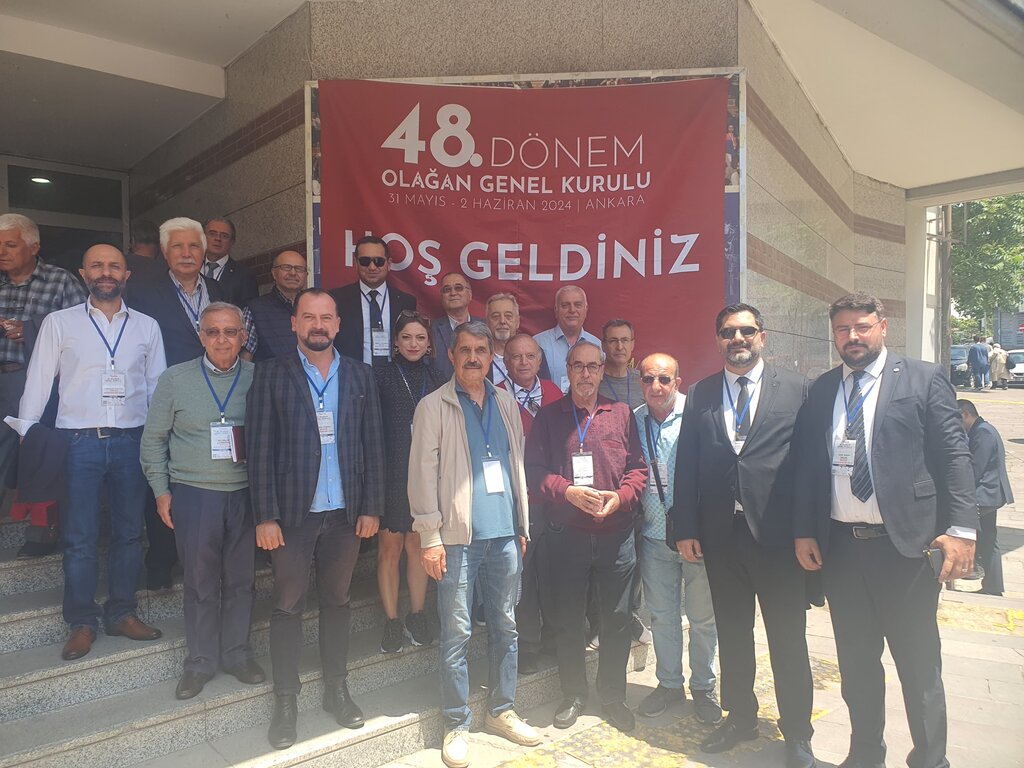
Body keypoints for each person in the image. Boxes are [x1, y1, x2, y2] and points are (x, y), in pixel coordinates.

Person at [793, 293, 977, 768]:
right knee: (856, 664)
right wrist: (805, 530)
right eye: (842, 329)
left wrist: (962, 530)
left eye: (862, 327)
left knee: (918, 665)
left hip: (906, 550)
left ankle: (930, 760)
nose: (852, 337)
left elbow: (954, 456)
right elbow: (809, 467)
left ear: (883, 327)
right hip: (842, 551)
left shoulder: (922, 378)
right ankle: (865, 754)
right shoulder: (823, 389)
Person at [671, 303, 816, 768]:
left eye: (746, 331)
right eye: (728, 332)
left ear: (762, 336)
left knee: (787, 638)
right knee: (733, 634)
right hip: (721, 537)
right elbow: (686, 464)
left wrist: (807, 531)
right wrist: (685, 527)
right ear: (717, 340)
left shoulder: (796, 389)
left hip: (778, 539)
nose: (738, 339)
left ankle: (798, 732)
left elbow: (810, 467)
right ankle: (740, 718)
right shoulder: (701, 393)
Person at [6, 244, 164, 661]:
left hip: (131, 441)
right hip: (77, 443)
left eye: (114, 266)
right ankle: (81, 621)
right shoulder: (59, 323)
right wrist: (28, 432)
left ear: (127, 275)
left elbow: (157, 386)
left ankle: (122, 613)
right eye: (97, 265)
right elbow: (39, 379)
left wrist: (160, 440)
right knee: (80, 537)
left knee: (130, 533)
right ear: (83, 273)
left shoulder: (147, 327)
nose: (106, 272)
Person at [246, 288, 385, 749]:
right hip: (291, 515)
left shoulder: (361, 375)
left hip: (345, 514)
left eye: (326, 317)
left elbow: (373, 446)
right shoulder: (271, 373)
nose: (318, 325)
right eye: (309, 317)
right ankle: (286, 701)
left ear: (338, 324)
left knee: (338, 601)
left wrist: (371, 506)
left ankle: (336, 690)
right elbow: (259, 450)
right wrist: (265, 515)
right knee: (288, 604)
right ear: (294, 323)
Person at [408, 321, 539, 768]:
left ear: (490, 356)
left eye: (481, 350)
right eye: (465, 350)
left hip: (504, 535)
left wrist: (522, 525)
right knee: (457, 633)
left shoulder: (505, 402)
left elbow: (517, 464)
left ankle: (501, 710)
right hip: (457, 540)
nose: (473, 358)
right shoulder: (433, 406)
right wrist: (430, 537)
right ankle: (456, 723)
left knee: (506, 626)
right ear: (451, 355)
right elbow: (421, 476)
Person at [141, 302, 265, 699]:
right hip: (194, 494)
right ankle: (200, 662)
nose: (222, 339)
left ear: (243, 337)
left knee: (242, 581)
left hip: (245, 494)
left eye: (230, 332)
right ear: (201, 336)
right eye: (213, 331)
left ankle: (237, 654)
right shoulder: (175, 379)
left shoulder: (259, 378)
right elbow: (153, 440)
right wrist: (161, 490)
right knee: (199, 581)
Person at [526, 341, 648, 733]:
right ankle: (574, 694)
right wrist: (567, 491)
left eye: (592, 366)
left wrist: (621, 497)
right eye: (577, 366)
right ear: (567, 370)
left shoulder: (622, 414)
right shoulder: (549, 417)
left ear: (602, 369)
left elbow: (638, 469)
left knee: (616, 619)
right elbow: (534, 471)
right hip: (567, 535)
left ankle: (612, 695)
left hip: (616, 536)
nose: (585, 374)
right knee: (568, 620)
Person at [126, 217, 226, 590]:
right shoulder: (142, 293)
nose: (186, 253)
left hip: (216, 398)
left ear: (204, 251)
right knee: (164, 478)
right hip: (166, 398)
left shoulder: (221, 289)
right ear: (165, 253)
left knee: (208, 478)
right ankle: (161, 560)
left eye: (194, 246)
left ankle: (203, 557)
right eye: (178, 247)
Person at [634, 353, 721, 724]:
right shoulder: (635, 420)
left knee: (702, 619)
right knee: (662, 616)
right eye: (648, 379)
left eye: (664, 379)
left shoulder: (698, 415)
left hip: (694, 538)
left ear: (678, 382)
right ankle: (669, 685)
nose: (656, 387)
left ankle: (703, 687)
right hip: (654, 536)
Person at [0, 213, 87, 558]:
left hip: (41, 380)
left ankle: (42, 533)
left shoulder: (60, 281)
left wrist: (33, 328)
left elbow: (84, 327)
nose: (2, 252)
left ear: (34, 247)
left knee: (40, 453)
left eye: (10, 244)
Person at [374, 310, 446, 653]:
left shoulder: (438, 378)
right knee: (390, 550)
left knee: (418, 546)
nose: (413, 344)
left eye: (420, 337)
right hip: (391, 472)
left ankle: (417, 614)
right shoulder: (381, 376)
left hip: (427, 474)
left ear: (429, 343)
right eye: (406, 337)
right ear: (395, 342)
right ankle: (391, 621)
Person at [497, 332, 563, 673]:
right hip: (517, 502)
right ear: (505, 362)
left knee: (553, 574)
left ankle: (555, 638)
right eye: (516, 357)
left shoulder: (554, 393)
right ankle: (528, 645)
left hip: (554, 499)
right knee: (522, 577)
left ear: (539, 360)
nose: (523, 362)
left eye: (530, 356)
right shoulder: (495, 395)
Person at [330, 235, 416, 364]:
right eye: (365, 261)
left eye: (378, 261)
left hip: (395, 374)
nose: (372, 267)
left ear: (389, 264)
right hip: (352, 374)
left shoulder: (406, 301)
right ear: (356, 263)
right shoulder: (336, 299)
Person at [958, 399, 1012, 596]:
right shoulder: (983, 430)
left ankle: (984, 579)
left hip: (986, 495)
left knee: (984, 539)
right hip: (989, 494)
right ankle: (992, 585)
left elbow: (975, 468)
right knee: (988, 539)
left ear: (965, 414)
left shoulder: (982, 433)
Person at [533, 285, 600, 393]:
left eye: (577, 305)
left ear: (586, 309)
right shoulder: (537, 343)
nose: (572, 310)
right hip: (550, 403)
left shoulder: (597, 345)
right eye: (565, 305)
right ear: (556, 310)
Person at [243, 250, 307, 361]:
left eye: (299, 269)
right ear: (274, 273)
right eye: (286, 267)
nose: (293, 273)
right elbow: (245, 359)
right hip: (271, 372)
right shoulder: (255, 310)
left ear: (306, 275)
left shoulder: (315, 307)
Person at [484, 293, 550, 387]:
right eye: (495, 316)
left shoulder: (534, 352)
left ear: (518, 322)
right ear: (487, 322)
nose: (502, 321)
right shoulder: (480, 354)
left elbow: (545, 388)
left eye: (508, 316)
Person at [431, 272, 481, 379]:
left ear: (470, 294)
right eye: (447, 290)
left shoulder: (486, 327)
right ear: (441, 297)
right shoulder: (430, 330)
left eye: (458, 288)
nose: (453, 293)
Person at [202, 217, 259, 308]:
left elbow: (250, 310)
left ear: (232, 242)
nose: (218, 239)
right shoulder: (191, 269)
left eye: (224, 236)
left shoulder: (244, 274)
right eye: (212, 234)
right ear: (202, 237)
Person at [599, 319, 643, 409]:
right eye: (613, 341)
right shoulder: (592, 380)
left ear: (632, 344)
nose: (619, 347)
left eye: (625, 340)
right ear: (603, 345)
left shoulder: (644, 381)